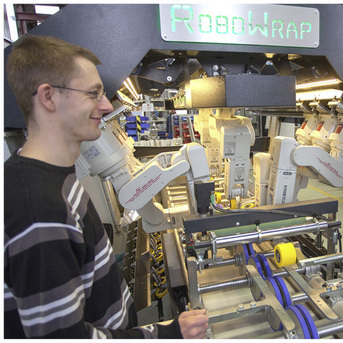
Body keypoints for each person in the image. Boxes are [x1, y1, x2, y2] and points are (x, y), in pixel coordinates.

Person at [4, 35, 209, 338]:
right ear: (48, 97)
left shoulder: (55, 179)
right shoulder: (39, 208)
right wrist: (167, 334)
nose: (104, 105)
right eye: (92, 94)